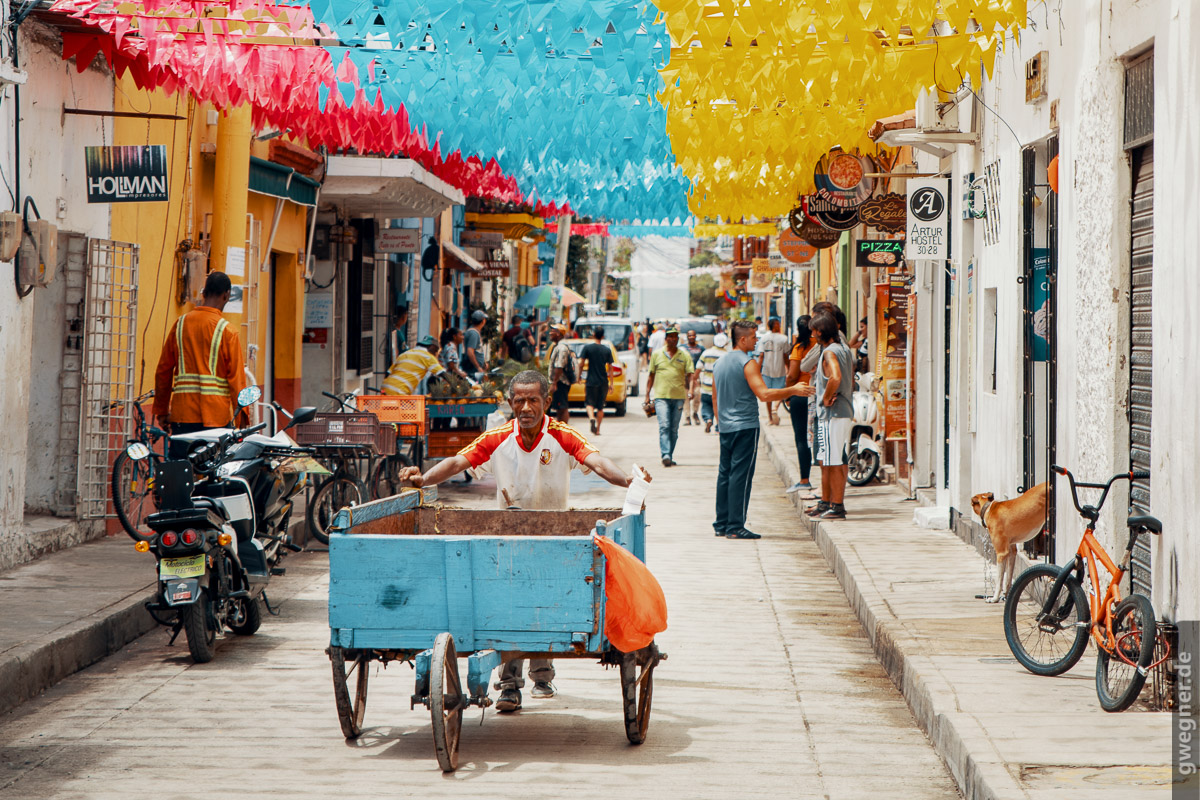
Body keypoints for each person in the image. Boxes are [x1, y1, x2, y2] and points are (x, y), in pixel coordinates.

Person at [398, 370, 637, 712]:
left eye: (533, 400)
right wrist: (423, 478)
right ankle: (509, 685)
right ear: (510, 403)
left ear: (546, 403)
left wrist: (627, 479)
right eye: (519, 400)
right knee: (507, 606)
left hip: (553, 534)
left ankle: (542, 674)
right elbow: (456, 462)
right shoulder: (497, 438)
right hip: (507, 534)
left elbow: (596, 462)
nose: (526, 407)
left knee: (545, 603)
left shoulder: (561, 435)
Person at [712, 320, 813, 540]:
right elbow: (764, 394)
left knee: (725, 474)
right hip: (745, 426)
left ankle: (721, 523)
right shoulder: (748, 363)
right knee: (741, 475)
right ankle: (735, 526)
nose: (756, 340)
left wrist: (720, 423)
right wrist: (793, 389)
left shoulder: (720, 362)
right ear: (742, 339)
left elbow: (715, 397)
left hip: (727, 427)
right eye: (753, 336)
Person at [153, 271, 249, 456]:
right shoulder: (227, 331)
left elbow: (163, 371)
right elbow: (237, 380)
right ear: (226, 295)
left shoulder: (180, 325)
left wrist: (162, 410)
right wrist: (242, 421)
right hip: (216, 420)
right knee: (214, 478)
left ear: (204, 292)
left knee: (182, 475)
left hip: (182, 416)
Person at [806, 313, 854, 520]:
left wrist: (826, 397)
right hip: (841, 412)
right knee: (828, 459)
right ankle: (826, 502)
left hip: (831, 413)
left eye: (813, 331)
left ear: (820, 332)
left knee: (833, 460)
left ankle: (837, 505)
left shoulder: (829, 353)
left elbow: (835, 377)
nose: (812, 335)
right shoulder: (844, 349)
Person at [644, 327, 693, 467]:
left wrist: (691, 390)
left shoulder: (684, 356)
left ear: (678, 339)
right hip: (661, 397)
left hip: (678, 396)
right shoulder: (657, 354)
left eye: (675, 337)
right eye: (670, 336)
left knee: (674, 429)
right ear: (666, 339)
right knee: (664, 426)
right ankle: (665, 454)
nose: (673, 339)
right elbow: (651, 375)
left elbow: (690, 374)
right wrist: (647, 394)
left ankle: (669, 455)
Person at [784, 315, 818, 494]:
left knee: (801, 438)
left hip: (800, 394)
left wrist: (787, 394)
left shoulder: (799, 347)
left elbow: (791, 375)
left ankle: (804, 479)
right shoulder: (820, 344)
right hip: (818, 394)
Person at [580, 326, 614, 435]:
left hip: (591, 380)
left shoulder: (588, 348)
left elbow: (581, 363)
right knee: (600, 407)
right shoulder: (607, 350)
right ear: (603, 336)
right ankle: (598, 429)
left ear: (593, 334)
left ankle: (591, 418)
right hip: (603, 381)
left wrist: (579, 376)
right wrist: (611, 383)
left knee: (589, 403)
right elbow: (611, 367)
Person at [757, 317, 789, 426]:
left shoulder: (764, 338)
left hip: (767, 370)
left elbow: (761, 355)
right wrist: (788, 368)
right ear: (776, 326)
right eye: (778, 324)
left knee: (768, 394)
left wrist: (757, 371)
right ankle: (775, 408)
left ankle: (770, 418)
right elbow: (786, 356)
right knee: (781, 391)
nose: (779, 325)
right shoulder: (784, 338)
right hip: (779, 370)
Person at [697, 332, 729, 433]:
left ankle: (708, 419)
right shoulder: (727, 355)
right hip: (721, 389)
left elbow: (698, 368)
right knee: (720, 408)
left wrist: (695, 381)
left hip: (706, 387)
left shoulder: (706, 353)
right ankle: (718, 426)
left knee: (706, 405)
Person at [546, 324, 574, 423]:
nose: (550, 333)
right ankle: (560, 429)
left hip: (561, 382)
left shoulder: (562, 348)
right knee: (559, 407)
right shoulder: (558, 346)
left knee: (562, 407)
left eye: (552, 331)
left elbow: (559, 366)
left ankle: (563, 429)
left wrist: (554, 383)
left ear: (558, 334)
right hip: (559, 382)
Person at [681, 329, 705, 426]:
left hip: (696, 376)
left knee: (697, 394)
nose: (691, 337)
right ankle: (687, 417)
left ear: (696, 336)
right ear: (687, 337)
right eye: (689, 335)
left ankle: (695, 413)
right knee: (685, 396)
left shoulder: (701, 349)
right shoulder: (682, 348)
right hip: (684, 375)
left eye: (693, 335)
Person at [463, 310, 488, 378]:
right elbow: (470, 351)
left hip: (474, 367)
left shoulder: (475, 332)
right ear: (483, 321)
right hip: (472, 368)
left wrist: (483, 362)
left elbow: (477, 350)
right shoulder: (473, 334)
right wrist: (478, 367)